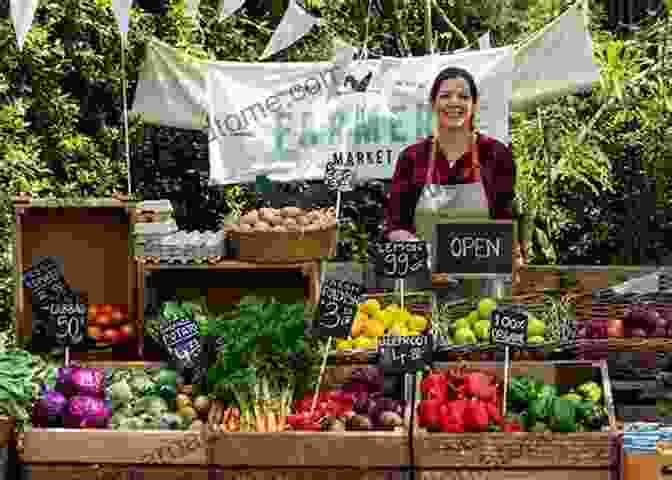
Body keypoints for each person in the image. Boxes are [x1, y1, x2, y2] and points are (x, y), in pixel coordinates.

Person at [384, 66, 528, 269]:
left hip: (484, 279)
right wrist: (420, 251)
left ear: (475, 105)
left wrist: (515, 255)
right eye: (445, 96)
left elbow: (505, 221)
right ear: (433, 103)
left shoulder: (496, 154)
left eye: (463, 96)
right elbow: (396, 225)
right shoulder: (412, 158)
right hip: (423, 280)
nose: (454, 102)